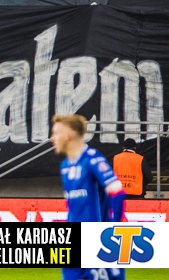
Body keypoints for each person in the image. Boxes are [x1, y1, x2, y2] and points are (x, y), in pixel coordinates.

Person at [51, 114, 126, 280]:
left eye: (56, 133)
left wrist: (112, 229)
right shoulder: (65, 166)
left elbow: (117, 192)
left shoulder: (92, 159)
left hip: (97, 243)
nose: (52, 138)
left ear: (68, 135)